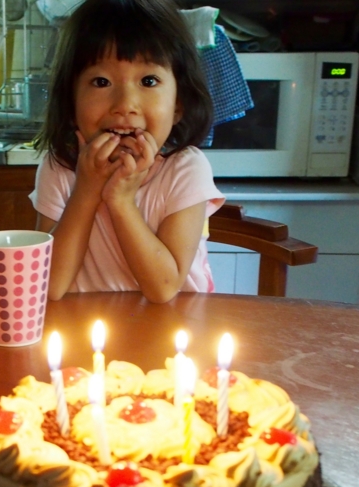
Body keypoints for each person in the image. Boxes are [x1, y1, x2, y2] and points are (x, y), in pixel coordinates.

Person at [30, 0, 224, 304]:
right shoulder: (60, 167)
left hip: (172, 336)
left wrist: (120, 200)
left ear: (178, 105)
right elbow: (50, 286)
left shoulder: (186, 169)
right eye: (101, 81)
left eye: (149, 81)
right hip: (82, 337)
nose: (125, 104)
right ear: (70, 103)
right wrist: (86, 190)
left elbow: (163, 288)